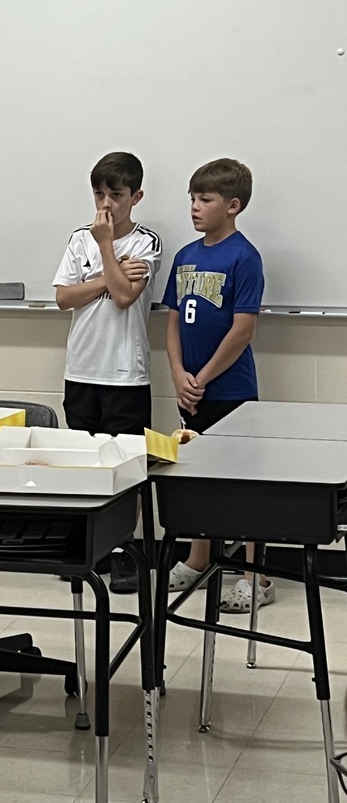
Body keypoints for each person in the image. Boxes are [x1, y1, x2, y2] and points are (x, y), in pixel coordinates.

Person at [163, 157, 268, 613]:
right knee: (195, 479)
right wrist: (178, 374)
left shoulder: (244, 256)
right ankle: (198, 558)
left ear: (232, 205)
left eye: (205, 199)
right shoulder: (186, 256)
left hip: (229, 392)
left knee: (242, 486)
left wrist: (202, 379)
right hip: (192, 390)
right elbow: (171, 320)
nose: (194, 207)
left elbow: (242, 329)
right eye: (192, 198)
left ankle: (256, 577)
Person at [53, 151, 162, 592]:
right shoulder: (78, 238)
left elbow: (122, 298)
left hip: (124, 372)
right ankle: (89, 545)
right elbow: (64, 298)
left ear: (135, 196)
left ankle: (124, 550)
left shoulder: (146, 243)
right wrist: (104, 274)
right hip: (82, 368)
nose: (105, 204)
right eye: (98, 193)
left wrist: (105, 250)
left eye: (115, 195)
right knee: (83, 460)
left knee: (127, 466)